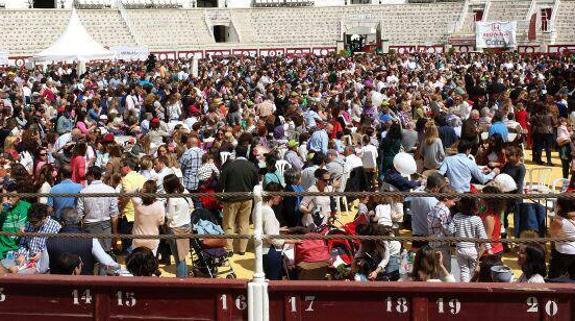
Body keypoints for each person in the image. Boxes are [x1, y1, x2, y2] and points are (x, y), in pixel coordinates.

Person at [46, 207, 119, 275]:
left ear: (61, 223)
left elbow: (42, 268)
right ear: (79, 221)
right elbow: (108, 263)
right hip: (84, 285)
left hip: (57, 285)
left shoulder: (50, 241)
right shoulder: (91, 240)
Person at [220, 145, 258, 255]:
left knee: (229, 224)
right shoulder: (252, 166)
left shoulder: (229, 166)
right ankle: (242, 249)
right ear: (246, 153)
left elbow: (221, 183)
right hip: (247, 198)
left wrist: (220, 197)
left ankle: (229, 248)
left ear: (235, 153)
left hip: (231, 198)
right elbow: (255, 185)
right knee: (244, 224)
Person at [449, 197, 492, 282]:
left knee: (463, 271)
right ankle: (472, 288)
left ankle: (464, 288)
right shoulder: (477, 219)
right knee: (473, 271)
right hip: (473, 250)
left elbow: (450, 230)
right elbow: (483, 235)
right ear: (475, 208)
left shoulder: (456, 216)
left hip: (460, 248)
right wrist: (489, 248)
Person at [77, 166, 119, 252]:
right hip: (105, 227)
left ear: (91, 175)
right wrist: (115, 234)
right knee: (105, 254)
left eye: (87, 176)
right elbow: (114, 214)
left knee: (91, 255)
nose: (86, 179)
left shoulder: (83, 192)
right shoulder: (110, 190)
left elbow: (79, 214)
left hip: (89, 227)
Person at [163, 174, 192, 278]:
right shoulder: (185, 192)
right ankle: (184, 278)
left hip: (175, 228)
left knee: (178, 258)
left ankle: (181, 279)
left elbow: (169, 216)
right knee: (183, 256)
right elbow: (191, 206)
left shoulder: (172, 198)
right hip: (187, 226)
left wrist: (165, 223)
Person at [16, 203, 62, 268]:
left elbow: (56, 250)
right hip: (28, 262)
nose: (31, 224)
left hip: (45, 265)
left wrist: (42, 254)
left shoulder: (56, 227)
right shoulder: (29, 224)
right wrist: (22, 254)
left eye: (34, 222)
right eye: (30, 221)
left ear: (43, 217)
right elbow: (23, 244)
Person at [409, 172, 446, 248]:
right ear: (436, 188)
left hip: (416, 236)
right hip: (428, 240)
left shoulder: (415, 193)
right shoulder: (435, 203)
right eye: (441, 188)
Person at [426, 186, 457, 271]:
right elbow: (448, 230)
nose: (454, 204)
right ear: (446, 199)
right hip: (442, 245)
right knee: (445, 271)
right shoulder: (445, 210)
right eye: (453, 201)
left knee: (435, 270)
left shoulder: (434, 208)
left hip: (432, 244)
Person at [131, 180, 166, 254]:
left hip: (138, 240)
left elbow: (132, 193)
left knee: (137, 262)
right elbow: (161, 222)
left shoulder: (137, 203)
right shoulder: (160, 205)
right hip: (152, 241)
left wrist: (139, 190)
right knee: (150, 263)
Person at [261, 182, 286, 280]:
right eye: (280, 195)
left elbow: (264, 229)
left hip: (264, 251)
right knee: (274, 285)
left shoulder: (260, 208)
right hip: (271, 252)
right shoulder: (268, 211)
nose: (281, 198)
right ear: (274, 195)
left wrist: (278, 229)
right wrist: (289, 241)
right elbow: (272, 238)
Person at [548, 197, 575, 279]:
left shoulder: (558, 221)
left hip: (562, 253)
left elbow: (551, 234)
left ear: (559, 206)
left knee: (554, 278)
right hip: (573, 251)